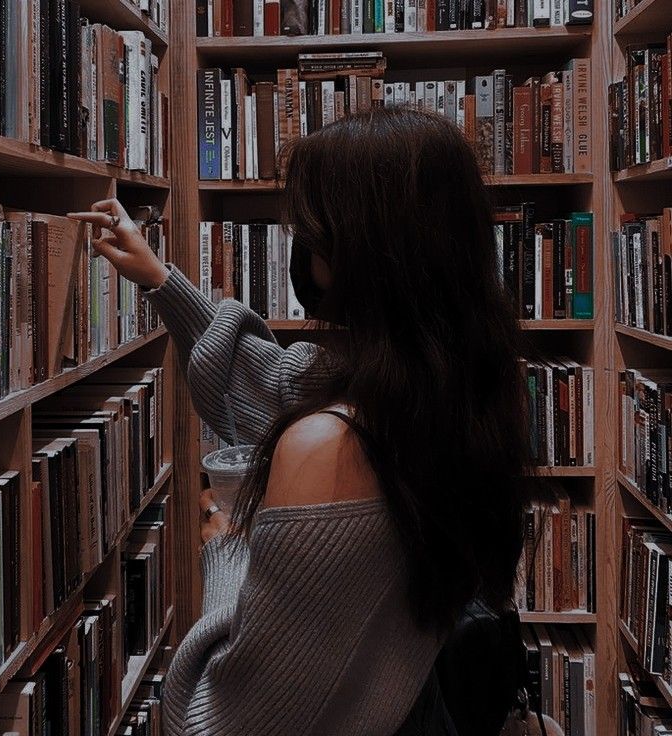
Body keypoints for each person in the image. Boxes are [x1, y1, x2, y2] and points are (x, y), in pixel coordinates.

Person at [68, 107, 530, 735]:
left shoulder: (328, 448)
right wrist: (159, 279)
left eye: (314, 231)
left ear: (360, 250)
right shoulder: (461, 388)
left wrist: (229, 547)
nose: (303, 249)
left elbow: (219, 721)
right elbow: (272, 380)